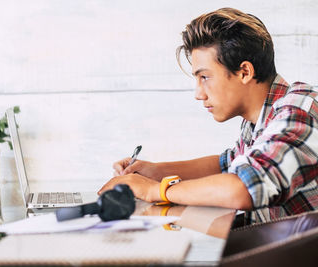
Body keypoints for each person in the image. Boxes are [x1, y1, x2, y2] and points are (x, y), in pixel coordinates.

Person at [98, 7, 318, 225]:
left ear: (244, 72)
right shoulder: (261, 118)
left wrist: (155, 190)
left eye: (204, 77)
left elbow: (242, 188)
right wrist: (153, 171)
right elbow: (225, 165)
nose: (198, 94)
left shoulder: (299, 110)